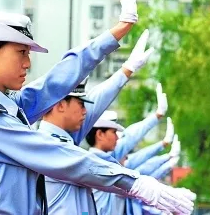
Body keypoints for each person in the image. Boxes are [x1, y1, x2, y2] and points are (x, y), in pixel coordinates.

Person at [0, 0, 195, 214]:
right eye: (21, 53)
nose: (27, 63)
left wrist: (117, 32)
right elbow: (58, 155)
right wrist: (135, 183)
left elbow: (56, 82)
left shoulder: (7, 106)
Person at [40, 28, 152, 215]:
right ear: (60, 105)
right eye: (80, 104)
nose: (85, 111)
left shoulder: (66, 139)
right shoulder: (46, 145)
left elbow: (98, 100)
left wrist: (127, 69)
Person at [86, 111, 178, 215]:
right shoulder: (99, 161)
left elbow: (144, 165)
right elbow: (132, 141)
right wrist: (156, 117)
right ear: (100, 134)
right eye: (113, 132)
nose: (116, 138)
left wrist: (166, 155)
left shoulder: (108, 162)